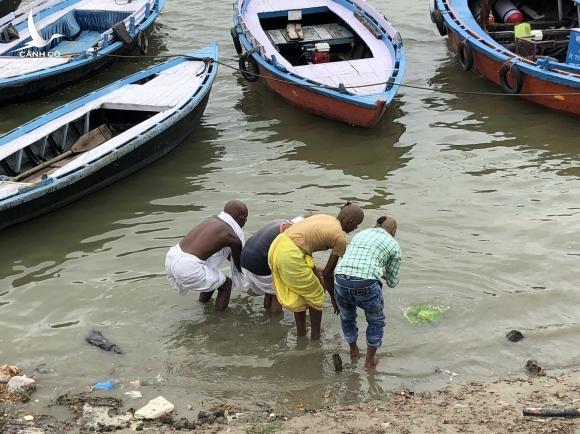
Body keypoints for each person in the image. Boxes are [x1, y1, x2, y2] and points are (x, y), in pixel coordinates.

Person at [268, 203, 364, 340]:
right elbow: (328, 274)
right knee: (317, 294)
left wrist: (314, 272)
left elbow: (304, 243)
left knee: (302, 294)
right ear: (350, 221)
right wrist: (333, 298)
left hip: (278, 245)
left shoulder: (324, 218)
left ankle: (301, 335)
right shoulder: (340, 238)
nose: (355, 228)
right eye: (356, 225)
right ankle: (315, 338)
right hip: (290, 255)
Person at [334, 215, 401, 370]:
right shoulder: (393, 244)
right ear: (394, 231)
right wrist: (383, 273)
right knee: (376, 321)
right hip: (366, 284)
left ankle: (353, 351)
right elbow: (392, 282)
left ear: (376, 225)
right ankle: (369, 362)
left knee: (347, 317)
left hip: (340, 279)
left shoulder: (361, 234)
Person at [164, 200, 248, 311]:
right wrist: (251, 276)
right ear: (237, 217)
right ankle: (219, 321)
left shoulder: (212, 220)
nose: (245, 222)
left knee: (213, 275)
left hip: (172, 257)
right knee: (227, 284)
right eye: (245, 218)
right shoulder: (231, 236)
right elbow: (238, 262)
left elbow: (228, 255)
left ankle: (202, 306)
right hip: (187, 266)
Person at [241, 217, 303, 315]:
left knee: (271, 289)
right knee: (280, 290)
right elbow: (290, 262)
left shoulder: (280, 222)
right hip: (259, 263)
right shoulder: (291, 232)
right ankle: (275, 320)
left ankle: (267, 311)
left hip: (245, 260)